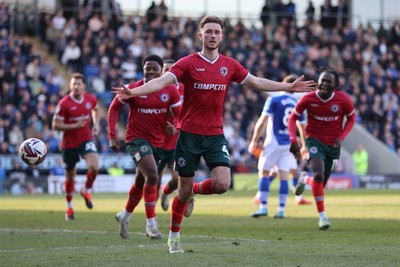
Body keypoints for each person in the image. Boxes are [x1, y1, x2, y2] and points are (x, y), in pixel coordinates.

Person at [112, 15, 315, 253]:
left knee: (222, 184)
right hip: (188, 135)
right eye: (208, 32)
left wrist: (287, 86)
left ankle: (193, 192)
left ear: (222, 36)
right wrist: (134, 93)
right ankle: (174, 237)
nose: (212, 36)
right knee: (182, 190)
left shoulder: (229, 65)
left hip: (215, 135)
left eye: (217, 32)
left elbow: (256, 82)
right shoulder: (187, 63)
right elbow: (161, 82)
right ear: (200, 35)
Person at [108, 55, 182, 240]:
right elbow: (113, 108)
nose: (150, 71)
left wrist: (176, 128)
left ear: (161, 71)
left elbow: (180, 116)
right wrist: (112, 135)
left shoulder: (170, 91)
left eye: (154, 68)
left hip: (157, 143)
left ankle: (124, 216)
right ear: (143, 70)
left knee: (141, 183)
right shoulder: (133, 89)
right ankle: (151, 224)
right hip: (136, 140)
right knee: (153, 176)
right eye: (147, 68)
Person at [288, 69, 356, 230]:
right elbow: (292, 118)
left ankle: (305, 179)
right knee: (318, 174)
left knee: (320, 183)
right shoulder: (308, 99)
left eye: (328, 81)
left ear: (335, 85)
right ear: (318, 82)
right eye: (322, 80)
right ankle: (322, 216)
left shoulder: (343, 100)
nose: (324, 83)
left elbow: (352, 118)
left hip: (333, 146)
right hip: (314, 142)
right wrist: (293, 139)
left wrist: (342, 136)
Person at [249, 74, 311, 220]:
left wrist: (254, 140)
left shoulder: (273, 100)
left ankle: (263, 206)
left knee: (264, 172)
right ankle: (281, 209)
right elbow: (302, 128)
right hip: (289, 144)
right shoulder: (297, 104)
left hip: (273, 141)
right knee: (284, 175)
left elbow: (263, 121)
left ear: (284, 84)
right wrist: (304, 146)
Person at [52, 72, 100, 221]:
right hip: (69, 143)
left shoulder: (90, 99)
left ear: (84, 86)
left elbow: (96, 109)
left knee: (95, 167)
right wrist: (74, 125)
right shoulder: (64, 103)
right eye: (74, 84)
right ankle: (69, 207)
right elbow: (55, 125)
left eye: (79, 84)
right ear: (70, 86)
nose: (76, 86)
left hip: (85, 138)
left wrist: (96, 125)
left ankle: (86, 190)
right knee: (70, 177)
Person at [158, 59, 185, 212]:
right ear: (162, 72)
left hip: (176, 141)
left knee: (176, 179)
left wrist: (177, 128)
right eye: (166, 69)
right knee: (154, 179)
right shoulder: (156, 89)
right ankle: (150, 219)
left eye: (171, 69)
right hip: (158, 140)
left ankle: (165, 192)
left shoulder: (184, 89)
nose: (169, 72)